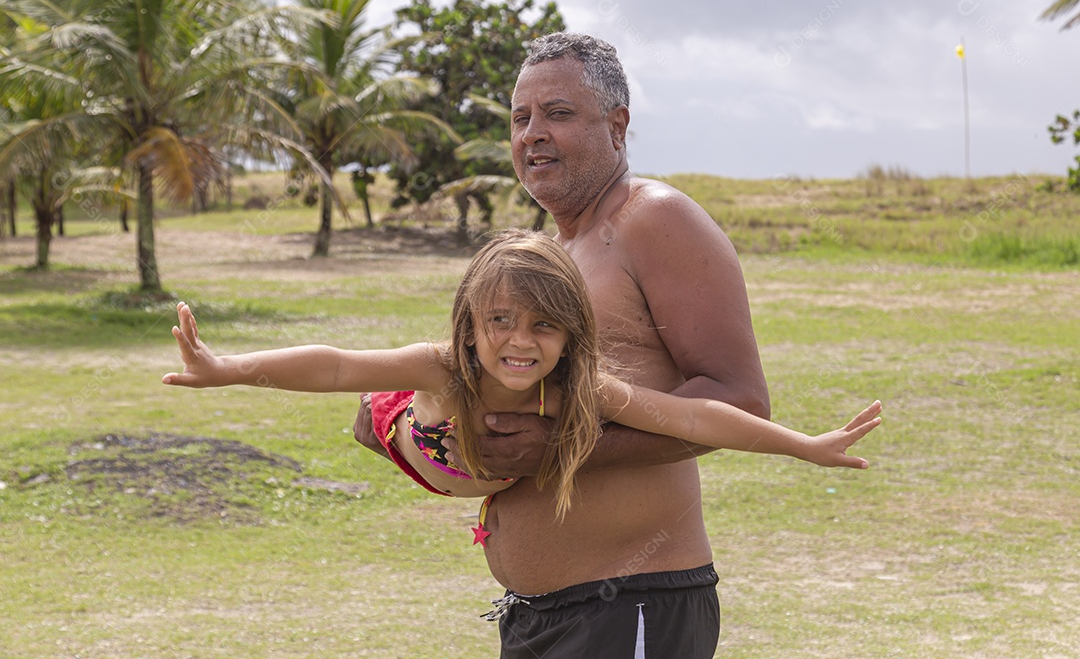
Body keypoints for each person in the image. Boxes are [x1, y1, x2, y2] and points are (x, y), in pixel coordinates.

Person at [350, 33, 878, 658]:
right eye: (520, 119)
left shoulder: (653, 219)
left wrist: (562, 452)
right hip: (540, 616)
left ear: (618, 125)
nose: (532, 134)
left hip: (630, 606)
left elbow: (738, 398)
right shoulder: (546, 257)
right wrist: (409, 434)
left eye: (559, 114)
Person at [163, 230, 880, 523]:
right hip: (415, 425)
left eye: (544, 327)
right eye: (501, 321)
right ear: (470, 324)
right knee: (380, 387)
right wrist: (226, 369)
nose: (520, 342)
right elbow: (338, 364)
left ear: (572, 336)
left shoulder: (580, 390)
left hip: (470, 466)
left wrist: (800, 444)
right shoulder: (444, 364)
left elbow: (693, 419)